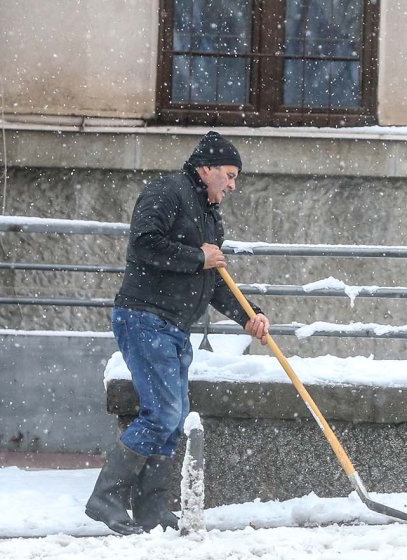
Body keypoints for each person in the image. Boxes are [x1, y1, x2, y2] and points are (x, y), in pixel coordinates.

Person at [85, 131, 270, 535]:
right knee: (163, 413)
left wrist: (248, 316)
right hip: (144, 317)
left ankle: (150, 510)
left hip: (173, 327)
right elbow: (144, 243)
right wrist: (196, 255)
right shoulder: (166, 192)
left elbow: (216, 279)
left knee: (172, 418)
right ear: (205, 169)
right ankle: (106, 498)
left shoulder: (209, 215)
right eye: (229, 175)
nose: (233, 185)